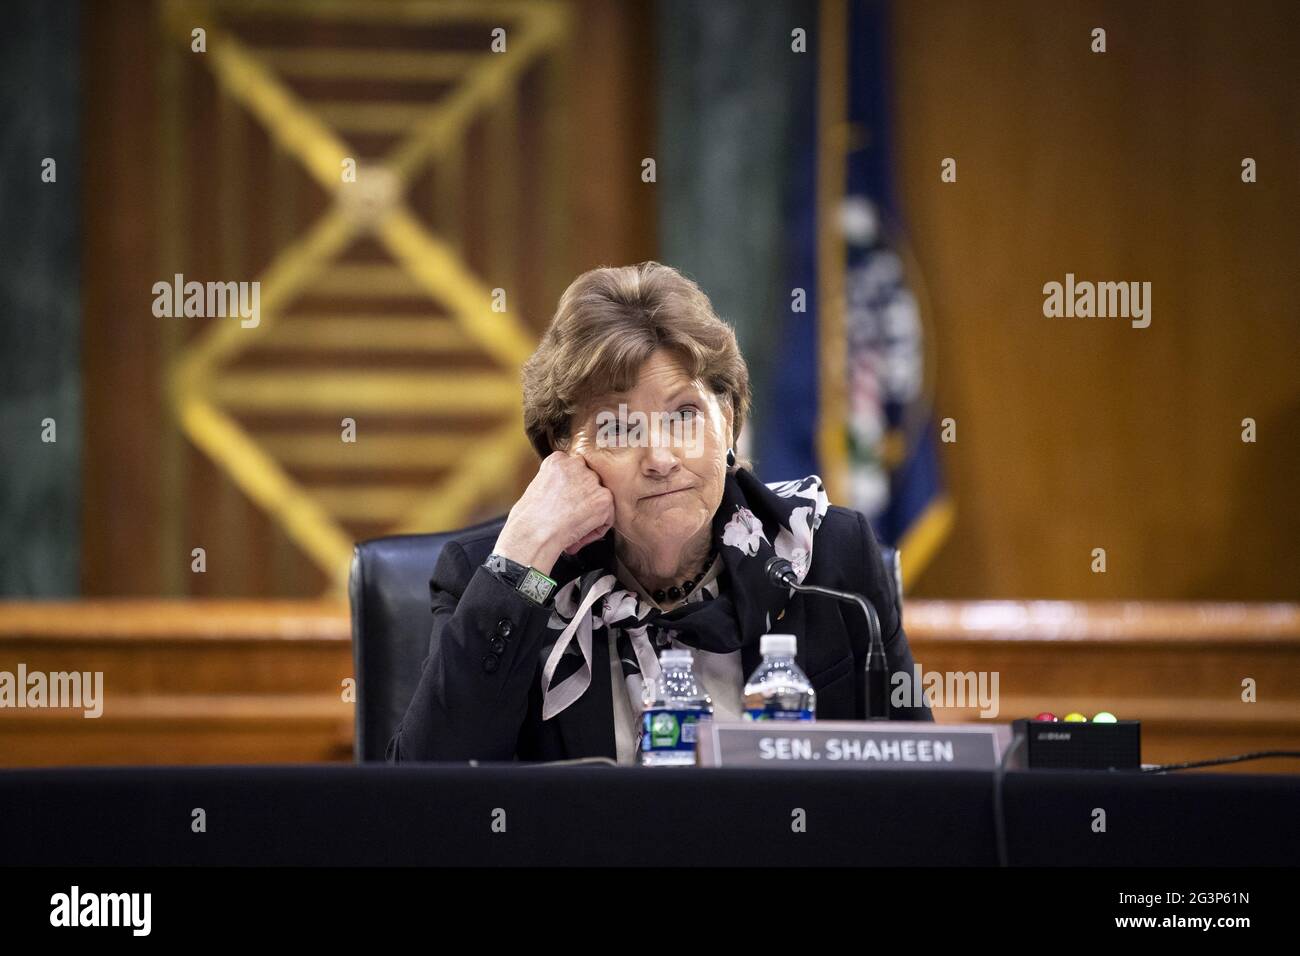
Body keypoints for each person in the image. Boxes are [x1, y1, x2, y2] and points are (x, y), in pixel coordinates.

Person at [388, 261, 932, 763]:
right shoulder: (501, 577)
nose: (661, 459)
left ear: (730, 421)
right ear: (563, 452)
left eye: (684, 414)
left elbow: (920, 790)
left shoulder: (825, 557)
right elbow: (426, 802)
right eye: (618, 428)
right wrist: (523, 555)